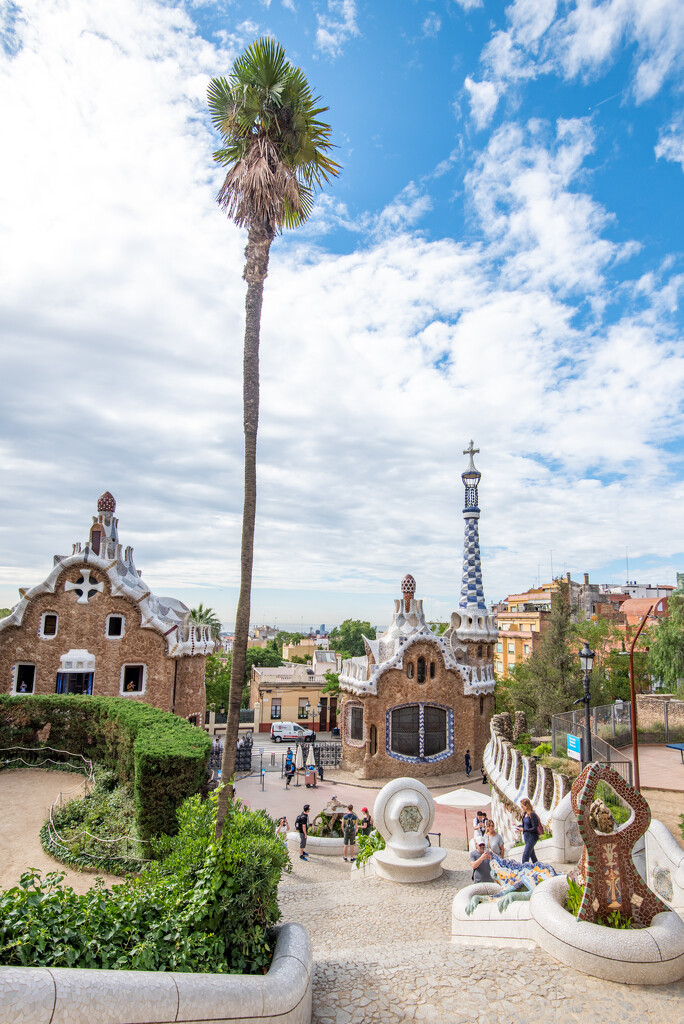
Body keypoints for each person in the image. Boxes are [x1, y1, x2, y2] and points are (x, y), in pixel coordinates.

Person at [519, 797, 541, 864]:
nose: (521, 807)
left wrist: (524, 830)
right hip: (526, 837)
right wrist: (519, 827)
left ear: (526, 806)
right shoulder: (524, 814)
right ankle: (538, 867)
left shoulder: (532, 815)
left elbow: (534, 828)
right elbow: (525, 824)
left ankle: (524, 870)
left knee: (525, 856)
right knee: (532, 856)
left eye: (522, 806)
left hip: (532, 837)